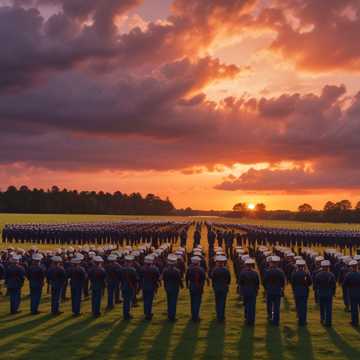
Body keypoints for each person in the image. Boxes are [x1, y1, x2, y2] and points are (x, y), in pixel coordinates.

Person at [263, 256, 286, 326]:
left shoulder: (267, 271)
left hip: (269, 290)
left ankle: (270, 316)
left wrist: (266, 288)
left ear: (271, 263)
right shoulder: (280, 271)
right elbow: (283, 281)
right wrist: (281, 288)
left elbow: (264, 281)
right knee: (276, 306)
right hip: (277, 291)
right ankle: (276, 321)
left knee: (269, 305)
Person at [314, 260, 336, 327]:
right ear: (328, 267)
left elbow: (315, 285)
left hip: (321, 293)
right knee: (328, 308)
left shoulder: (318, 275)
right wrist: (333, 293)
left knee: (322, 307)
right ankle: (328, 322)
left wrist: (317, 291)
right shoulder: (331, 275)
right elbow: (334, 285)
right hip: (329, 293)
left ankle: (322, 319)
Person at [162, 254, 183, 321]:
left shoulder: (165, 270)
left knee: (169, 301)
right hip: (175, 288)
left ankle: (169, 315)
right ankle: (172, 316)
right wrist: (181, 286)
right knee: (173, 302)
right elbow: (179, 280)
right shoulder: (177, 271)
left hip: (167, 287)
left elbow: (164, 279)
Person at [291, 259, 312, 326]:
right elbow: (310, 283)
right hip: (304, 291)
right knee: (304, 306)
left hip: (296, 291)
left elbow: (292, 282)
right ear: (303, 266)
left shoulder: (294, 273)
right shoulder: (306, 273)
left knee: (298, 305)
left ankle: (299, 319)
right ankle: (304, 320)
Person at [238, 258, 259, 326]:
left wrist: (241, 292)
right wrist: (256, 290)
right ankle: (252, 321)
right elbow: (257, 283)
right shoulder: (255, 273)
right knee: (252, 306)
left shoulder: (242, 273)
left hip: (245, 291)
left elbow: (240, 283)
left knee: (246, 305)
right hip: (253, 291)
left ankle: (247, 319)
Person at [210, 255, 231, 322]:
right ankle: (222, 316)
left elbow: (212, 277)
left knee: (217, 302)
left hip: (216, 287)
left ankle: (218, 316)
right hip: (224, 287)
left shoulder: (215, 270)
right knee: (223, 302)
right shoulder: (226, 270)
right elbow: (228, 279)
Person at [186, 256, 206, 322]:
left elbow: (187, 278)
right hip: (199, 287)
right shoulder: (201, 269)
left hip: (192, 286)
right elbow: (203, 279)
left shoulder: (189, 269)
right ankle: (196, 316)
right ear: (198, 263)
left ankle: (193, 315)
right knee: (197, 302)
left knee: (192, 301)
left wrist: (187, 285)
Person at [140, 255, 160, 320]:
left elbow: (140, 277)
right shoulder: (155, 269)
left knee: (145, 300)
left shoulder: (142, 268)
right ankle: (148, 314)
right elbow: (157, 278)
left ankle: (146, 312)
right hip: (151, 286)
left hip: (144, 285)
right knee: (149, 300)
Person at [120, 255, 139, 320]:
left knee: (125, 301)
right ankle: (127, 314)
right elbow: (136, 279)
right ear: (130, 262)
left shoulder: (122, 269)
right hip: (130, 287)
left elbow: (120, 279)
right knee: (128, 301)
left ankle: (125, 313)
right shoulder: (132, 270)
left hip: (123, 286)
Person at [343, 260, 360, 327]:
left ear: (351, 267)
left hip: (352, 292)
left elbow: (344, 284)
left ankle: (354, 322)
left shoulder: (348, 275)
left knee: (354, 308)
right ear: (357, 266)